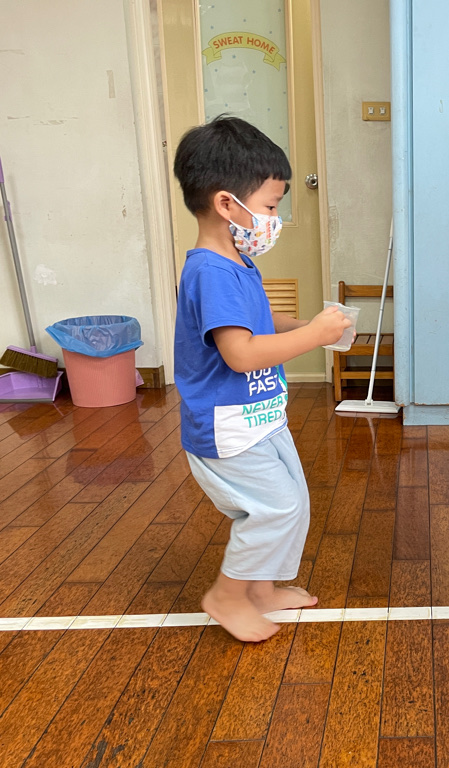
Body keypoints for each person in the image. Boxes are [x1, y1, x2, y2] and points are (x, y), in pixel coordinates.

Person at [172, 116, 352, 642]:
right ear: (227, 204)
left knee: (292, 501)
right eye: (271, 206)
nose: (275, 218)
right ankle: (227, 596)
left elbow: (257, 324)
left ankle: (261, 588)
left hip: (260, 415)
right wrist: (314, 336)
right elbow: (241, 354)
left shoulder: (237, 262)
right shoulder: (210, 271)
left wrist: (307, 325)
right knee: (277, 507)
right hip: (229, 427)